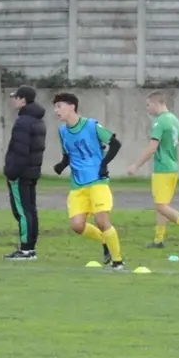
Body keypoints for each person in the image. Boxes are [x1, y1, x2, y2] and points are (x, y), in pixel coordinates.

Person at [51, 92, 126, 270]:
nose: (56, 111)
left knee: (102, 220)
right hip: (77, 185)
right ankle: (105, 241)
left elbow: (115, 144)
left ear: (71, 106)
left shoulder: (91, 126)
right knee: (77, 226)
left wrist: (104, 164)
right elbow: (68, 155)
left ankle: (118, 261)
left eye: (59, 106)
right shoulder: (62, 132)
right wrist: (61, 165)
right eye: (55, 107)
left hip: (97, 181)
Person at [125, 90, 179, 250]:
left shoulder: (160, 122)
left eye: (148, 105)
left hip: (163, 169)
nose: (147, 109)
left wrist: (136, 165)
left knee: (161, 206)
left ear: (157, 103)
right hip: (173, 169)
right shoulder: (174, 120)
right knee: (163, 205)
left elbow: (152, 148)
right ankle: (158, 240)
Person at [3, 85, 46, 261]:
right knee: (30, 210)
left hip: (21, 174)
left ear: (23, 100)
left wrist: (11, 172)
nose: (14, 100)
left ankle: (26, 250)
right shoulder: (38, 120)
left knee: (21, 211)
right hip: (32, 171)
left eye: (16, 97)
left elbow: (20, 150)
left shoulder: (23, 122)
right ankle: (30, 247)